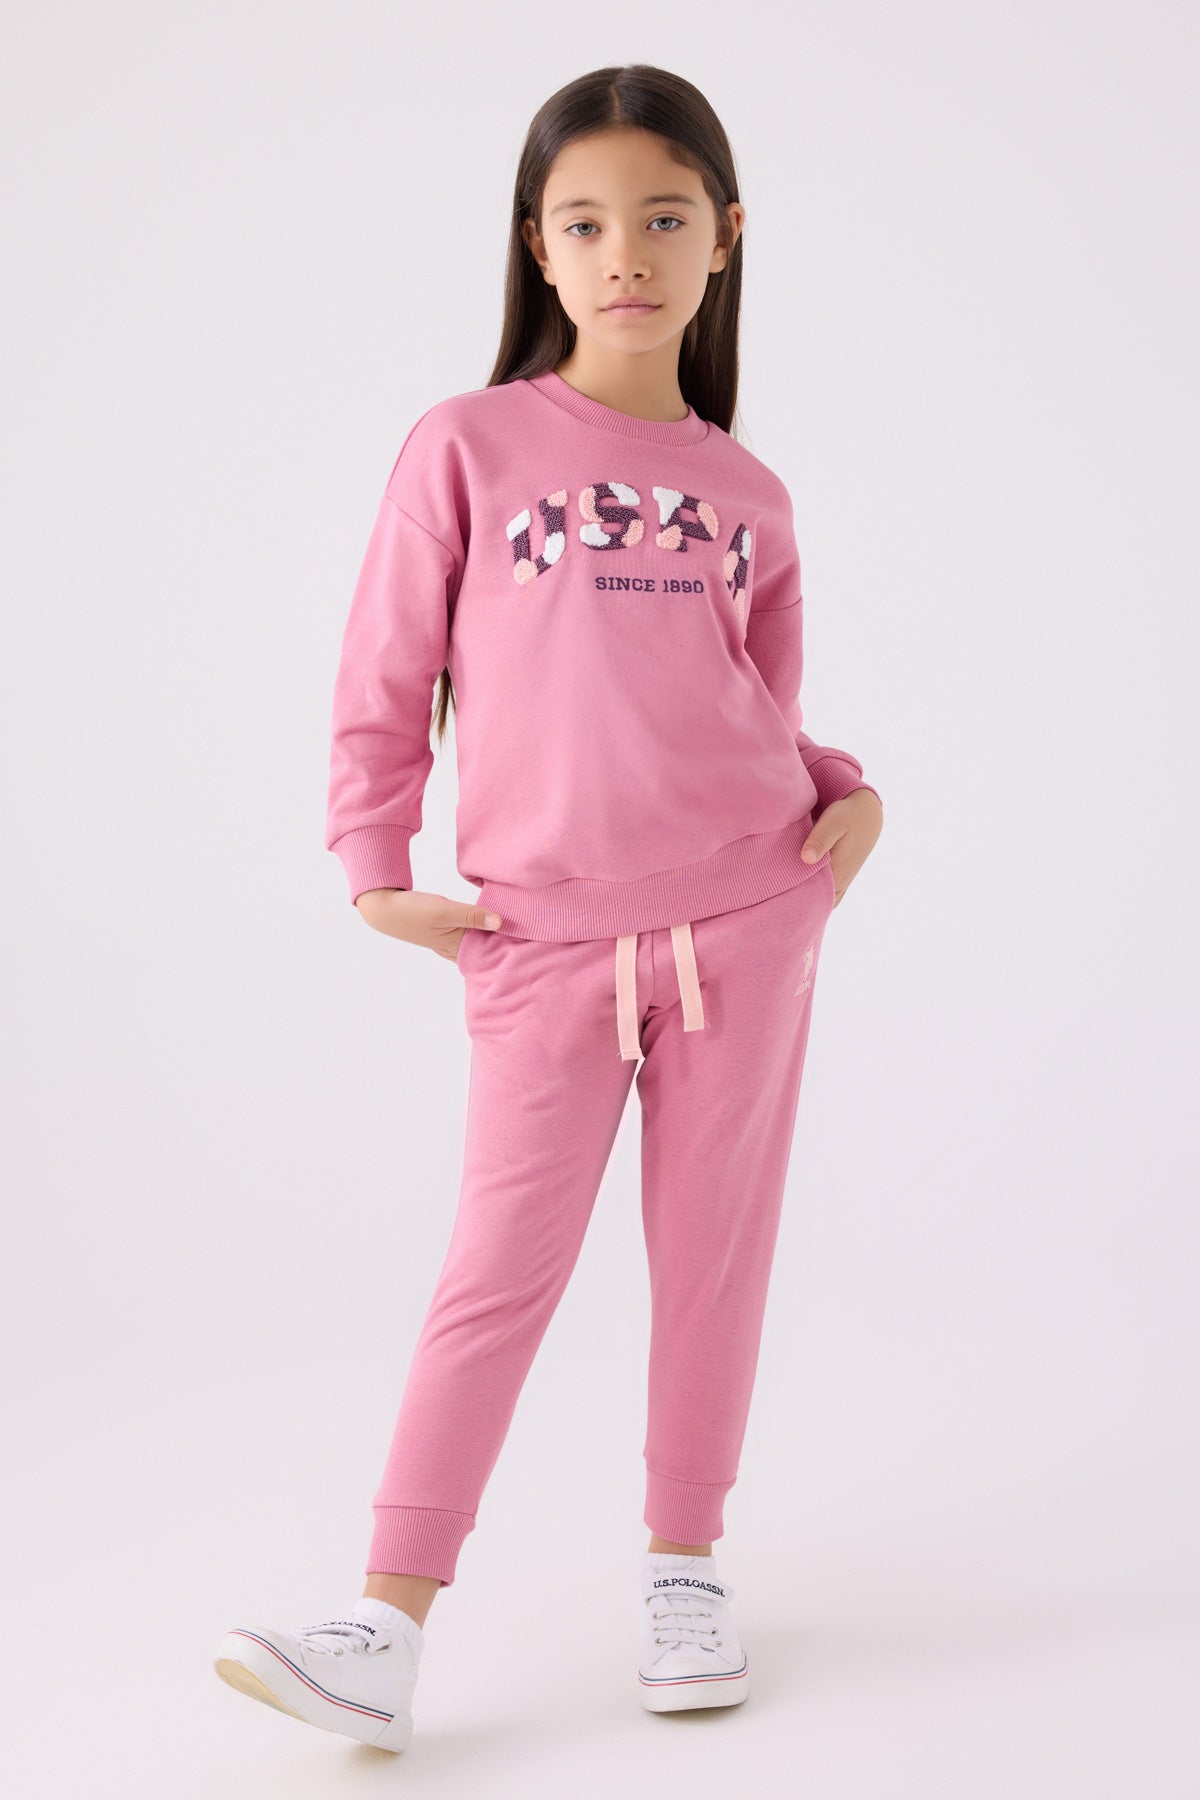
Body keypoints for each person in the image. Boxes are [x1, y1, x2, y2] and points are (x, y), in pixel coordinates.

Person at [214, 61, 883, 1754]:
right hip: (538, 939)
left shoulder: (748, 493)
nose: (625, 254)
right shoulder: (466, 446)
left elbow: (751, 707)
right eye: (584, 224)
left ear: (726, 237)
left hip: (750, 916)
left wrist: (845, 796)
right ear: (538, 246)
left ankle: (685, 1571)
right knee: (494, 1272)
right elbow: (385, 667)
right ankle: (384, 1625)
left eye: (663, 217)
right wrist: (374, 859)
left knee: (712, 1262)